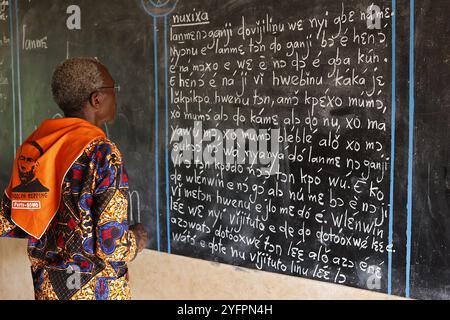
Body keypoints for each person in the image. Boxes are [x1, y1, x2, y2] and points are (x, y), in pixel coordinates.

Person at [0, 57, 148, 300]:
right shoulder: (101, 153)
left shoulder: (35, 149)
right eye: (113, 89)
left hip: (48, 287)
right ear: (96, 99)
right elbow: (112, 246)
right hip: (95, 290)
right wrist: (137, 238)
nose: (116, 96)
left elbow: (10, 221)